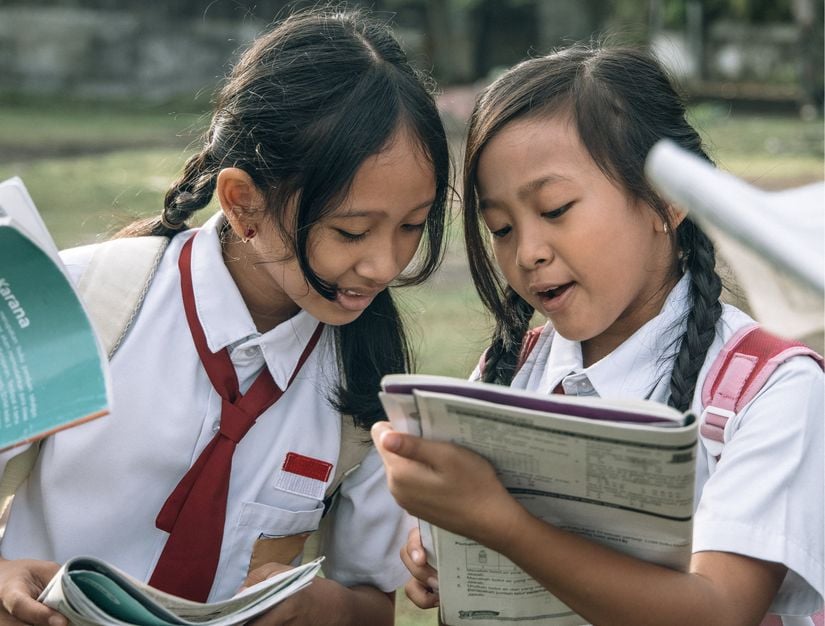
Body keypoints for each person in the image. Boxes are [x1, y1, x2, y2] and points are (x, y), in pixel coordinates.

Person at [0, 8, 451, 626]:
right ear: (243, 204)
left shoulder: (367, 384)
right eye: (351, 231)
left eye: (411, 226)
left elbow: (371, 606)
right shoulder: (78, 301)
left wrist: (311, 607)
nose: (383, 265)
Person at [372, 44, 824, 625]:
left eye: (556, 209)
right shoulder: (508, 373)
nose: (528, 253)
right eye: (502, 228)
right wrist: (441, 550)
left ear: (666, 199)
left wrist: (502, 525)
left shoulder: (773, 390)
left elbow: (718, 611)